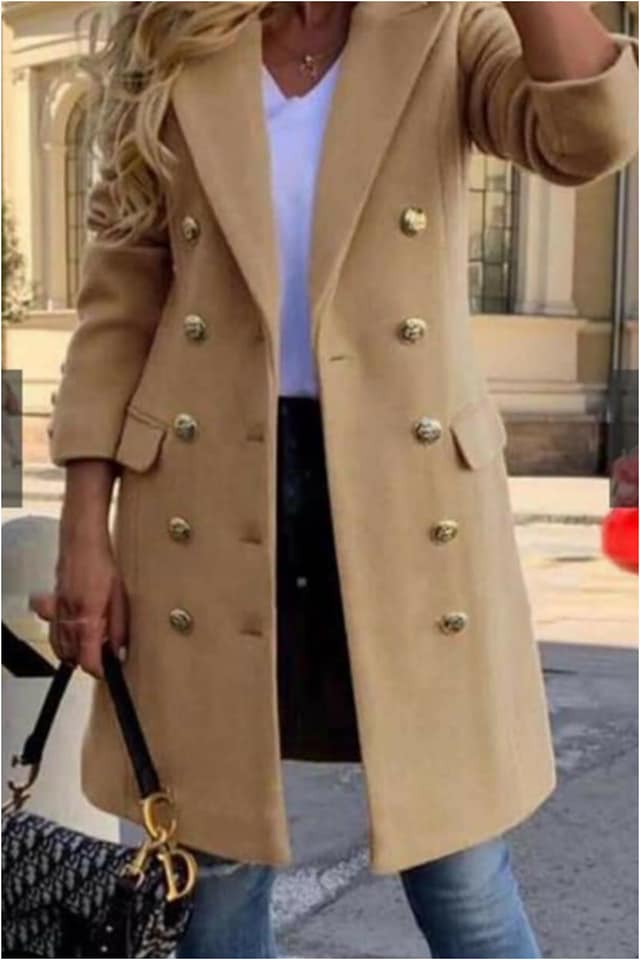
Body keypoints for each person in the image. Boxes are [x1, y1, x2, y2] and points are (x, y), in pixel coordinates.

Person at [31, 2, 638, 956]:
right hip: (203, 492)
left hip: (406, 495)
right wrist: (83, 534)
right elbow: (120, 304)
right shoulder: (180, 37)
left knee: (464, 877)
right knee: (214, 881)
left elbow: (589, 137)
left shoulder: (446, 28)